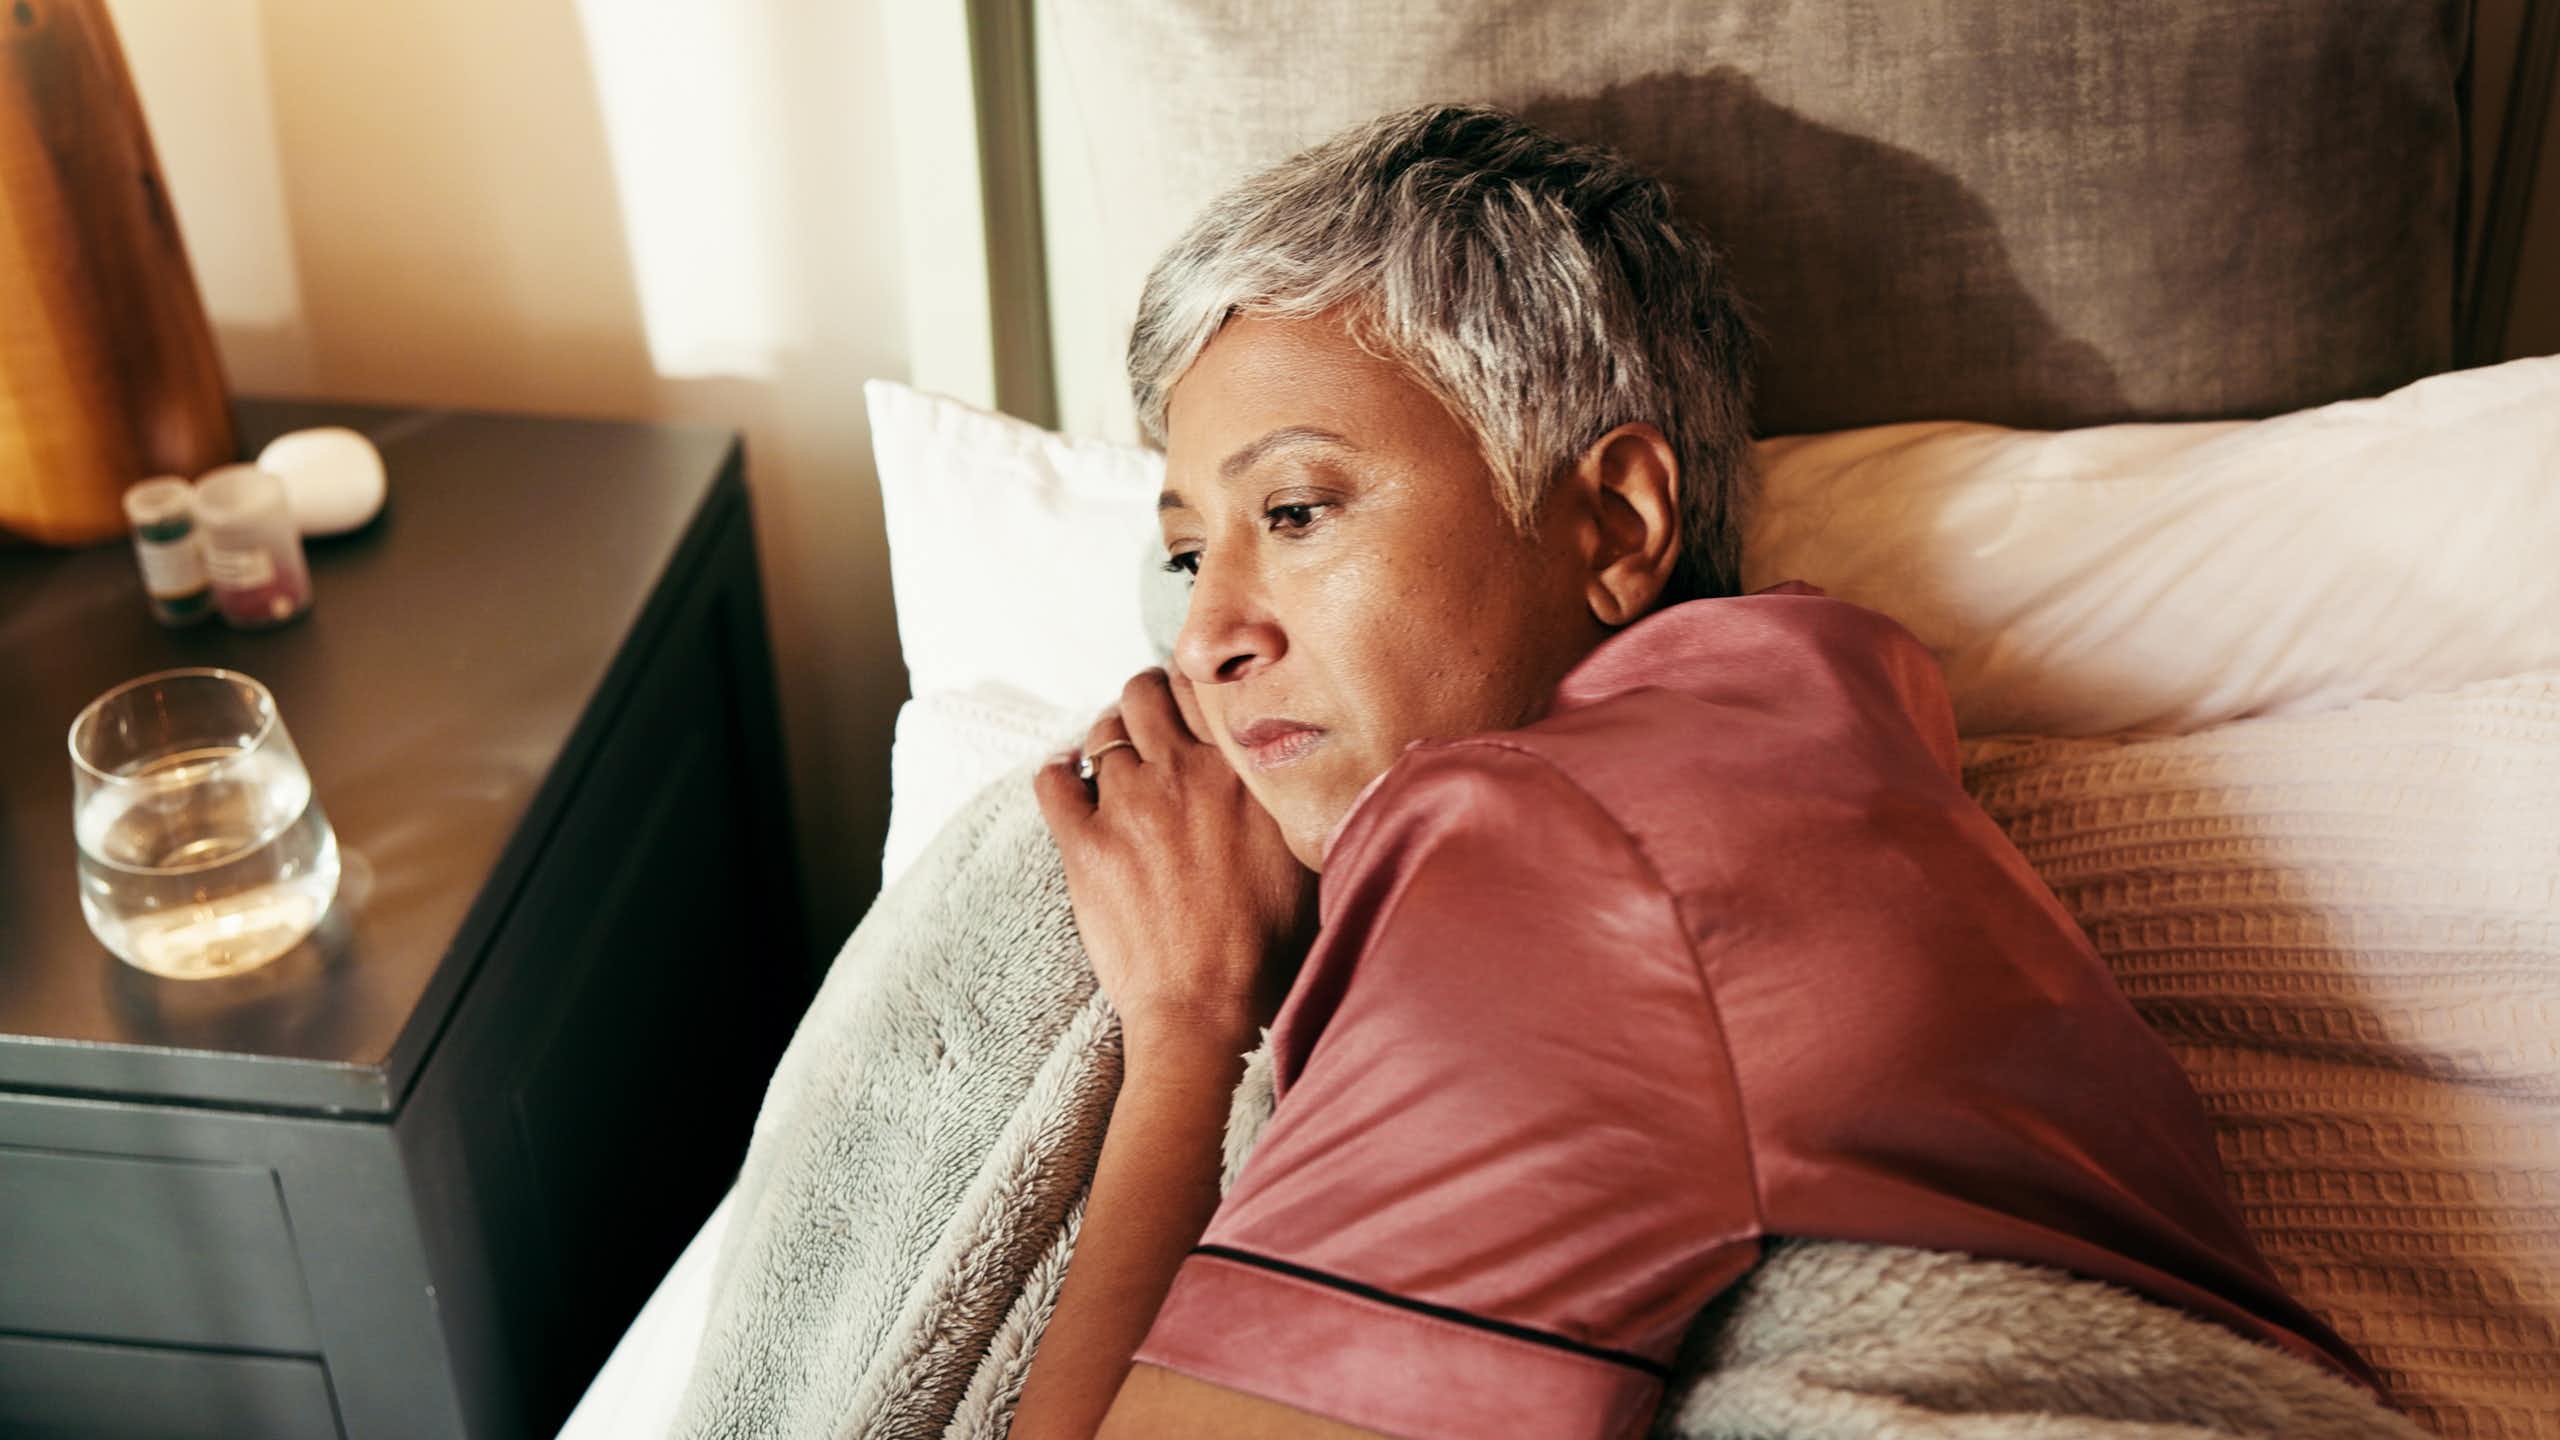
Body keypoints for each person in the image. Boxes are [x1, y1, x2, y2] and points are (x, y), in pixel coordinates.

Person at [1008, 104, 2373, 1440]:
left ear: (1613, 522)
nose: (1204, 637)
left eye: (1296, 513)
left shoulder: (1563, 859)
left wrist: (1184, 1021)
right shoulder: (1809, 760)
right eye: (1189, 553)